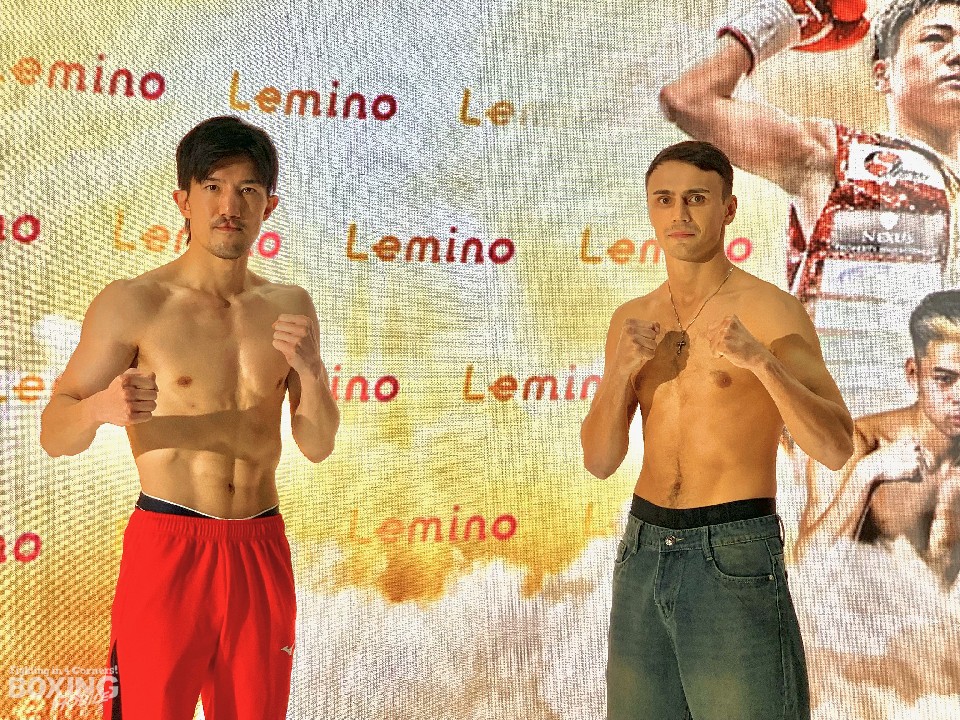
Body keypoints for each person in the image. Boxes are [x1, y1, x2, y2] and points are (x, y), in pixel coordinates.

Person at [39, 116, 340, 719]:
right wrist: (100, 408)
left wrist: (311, 371)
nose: (230, 206)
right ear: (184, 201)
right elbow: (54, 431)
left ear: (268, 206)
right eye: (213, 187)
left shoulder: (289, 305)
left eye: (247, 189)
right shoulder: (135, 303)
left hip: (260, 546)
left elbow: (317, 444)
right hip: (169, 546)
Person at [581, 140, 853, 720]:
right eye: (664, 199)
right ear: (650, 209)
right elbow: (600, 461)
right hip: (643, 549)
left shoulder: (771, 311)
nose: (679, 213)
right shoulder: (632, 319)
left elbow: (834, 447)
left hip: (733, 549)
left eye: (697, 198)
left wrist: (762, 363)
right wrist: (621, 373)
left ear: (728, 208)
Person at [659, 0, 960, 411]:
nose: (957, 54)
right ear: (883, 73)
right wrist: (783, 19)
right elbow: (689, 100)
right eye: (936, 38)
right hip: (847, 434)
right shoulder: (841, 156)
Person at [796, 290, 960, 586]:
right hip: (856, 613)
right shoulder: (855, 443)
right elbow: (805, 573)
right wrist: (866, 474)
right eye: (945, 379)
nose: (959, 396)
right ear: (913, 374)